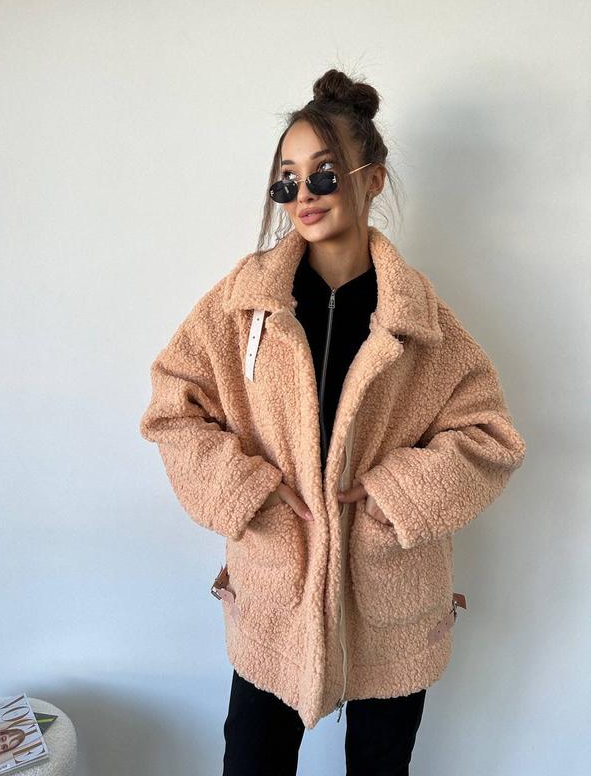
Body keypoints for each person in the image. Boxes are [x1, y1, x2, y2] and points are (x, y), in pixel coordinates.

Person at [139, 68, 526, 776]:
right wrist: (247, 489)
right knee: (251, 759)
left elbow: (490, 436)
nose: (303, 196)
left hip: (391, 600)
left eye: (322, 174)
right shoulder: (244, 303)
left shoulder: (420, 321)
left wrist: (394, 495)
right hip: (273, 592)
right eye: (285, 181)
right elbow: (174, 406)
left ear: (372, 179)